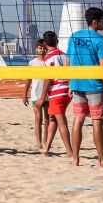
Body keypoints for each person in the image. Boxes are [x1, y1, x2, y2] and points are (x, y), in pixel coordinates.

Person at [66, 7, 103, 167]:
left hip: (77, 83)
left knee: (78, 120)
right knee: (97, 121)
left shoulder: (73, 37)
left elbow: (68, 62)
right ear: (95, 22)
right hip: (94, 85)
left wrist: (69, 83)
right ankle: (102, 160)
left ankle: (75, 159)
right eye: (102, 20)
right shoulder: (101, 41)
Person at [38, 30, 74, 158]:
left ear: (45, 45)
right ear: (57, 42)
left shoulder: (48, 58)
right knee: (53, 119)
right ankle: (47, 148)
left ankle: (70, 151)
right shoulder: (65, 55)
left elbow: (48, 79)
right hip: (67, 91)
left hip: (57, 92)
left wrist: (42, 97)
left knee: (61, 121)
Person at [26, 39, 47, 150]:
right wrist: (25, 94)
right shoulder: (32, 63)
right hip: (35, 95)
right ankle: (38, 142)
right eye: (40, 48)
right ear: (36, 49)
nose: (42, 50)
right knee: (38, 118)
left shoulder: (48, 62)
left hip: (47, 95)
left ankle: (45, 140)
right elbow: (28, 80)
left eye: (44, 48)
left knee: (48, 119)